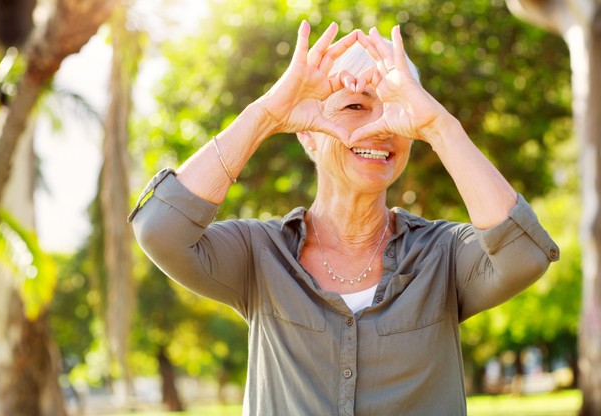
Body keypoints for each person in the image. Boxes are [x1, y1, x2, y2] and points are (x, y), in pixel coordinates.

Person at [129, 21, 559, 415]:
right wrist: (266, 115)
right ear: (308, 134)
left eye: (393, 109)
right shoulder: (259, 254)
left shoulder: (442, 255)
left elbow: (523, 254)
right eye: (355, 106)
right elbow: (160, 229)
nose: (380, 127)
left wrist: (437, 126)